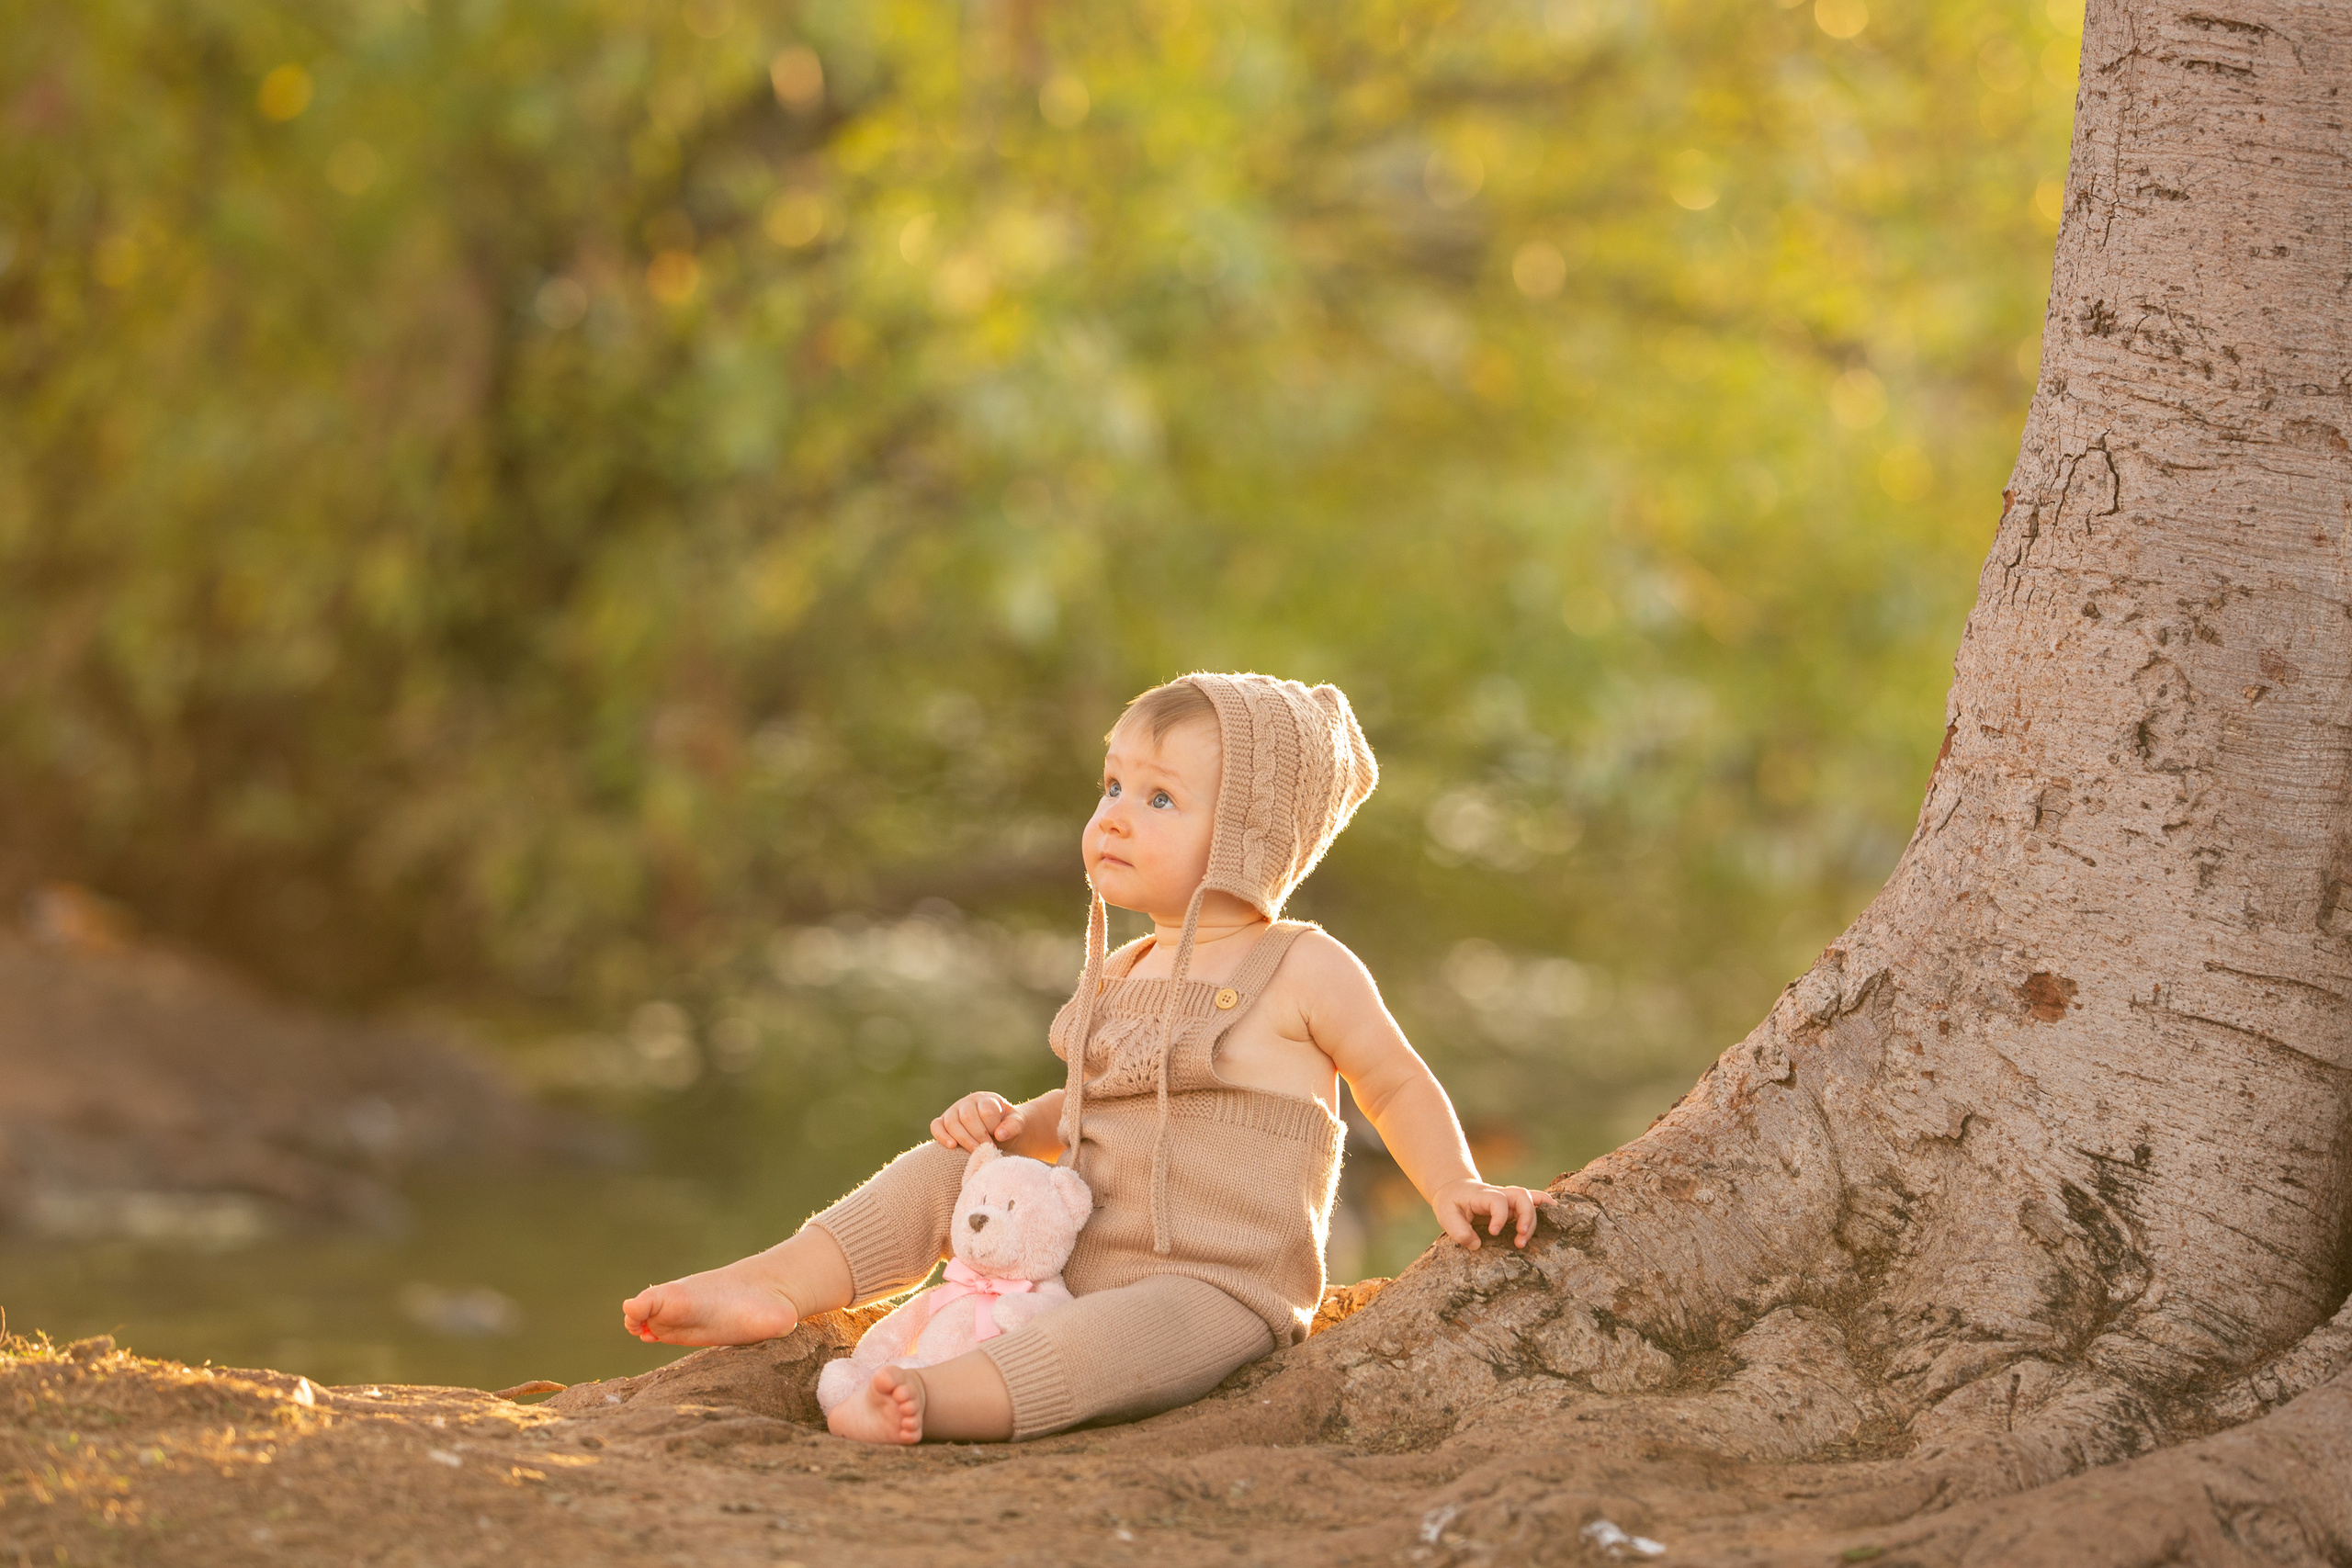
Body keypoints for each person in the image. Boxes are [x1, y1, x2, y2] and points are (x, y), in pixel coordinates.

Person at [621, 672, 1538, 1445]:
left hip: (1211, 1289)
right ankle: (774, 1283)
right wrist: (1013, 1126)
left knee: (1109, 1341)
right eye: (1111, 787)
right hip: (1075, 1251)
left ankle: (933, 1398)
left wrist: (1452, 1182)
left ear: (1251, 834)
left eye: (1158, 798)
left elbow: (1393, 1081)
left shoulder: (1301, 965)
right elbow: (1087, 1107)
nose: (1114, 818)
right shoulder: (1124, 968)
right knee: (951, 1165)